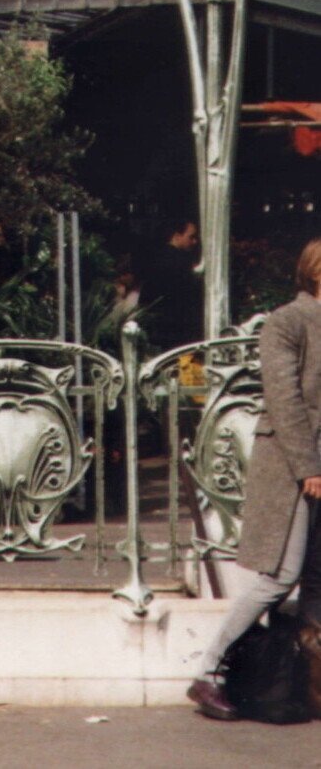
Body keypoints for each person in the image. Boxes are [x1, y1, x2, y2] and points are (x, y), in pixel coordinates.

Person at [187, 236, 321, 720]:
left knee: (317, 579)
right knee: (278, 578)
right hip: (292, 468)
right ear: (317, 271)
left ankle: (306, 682)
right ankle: (208, 672)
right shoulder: (287, 322)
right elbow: (285, 401)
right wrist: (308, 467)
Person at [138, 218, 203, 348]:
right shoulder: (181, 261)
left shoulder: (156, 257)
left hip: (155, 325)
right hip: (176, 328)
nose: (194, 242)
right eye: (191, 237)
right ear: (177, 236)